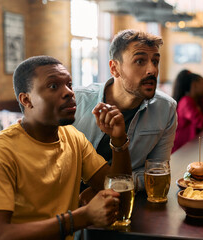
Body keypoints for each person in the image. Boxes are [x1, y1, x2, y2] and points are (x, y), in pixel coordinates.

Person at [0, 56, 132, 240]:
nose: (69, 93)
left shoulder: (73, 138)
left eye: (69, 84)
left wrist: (118, 139)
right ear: (26, 100)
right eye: (54, 86)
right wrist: (80, 218)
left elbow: (119, 193)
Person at [73, 29, 177, 191]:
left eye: (155, 61)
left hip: (127, 203)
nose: (152, 70)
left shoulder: (165, 108)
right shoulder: (77, 101)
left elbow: (158, 171)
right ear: (114, 68)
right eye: (140, 61)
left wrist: (108, 187)